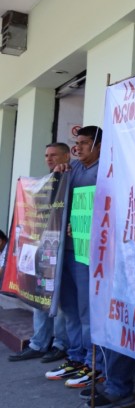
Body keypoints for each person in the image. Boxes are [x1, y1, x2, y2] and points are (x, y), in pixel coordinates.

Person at [45, 127, 106, 388]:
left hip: (88, 254)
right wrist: (57, 177)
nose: (77, 148)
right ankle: (76, 357)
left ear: (99, 145)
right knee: (69, 308)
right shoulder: (76, 169)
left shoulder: (105, 169)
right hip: (66, 250)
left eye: (84, 143)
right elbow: (58, 201)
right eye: (76, 143)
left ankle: (96, 365)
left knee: (86, 311)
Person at [8, 143, 71, 363]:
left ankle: (60, 344)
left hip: (65, 252)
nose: (49, 159)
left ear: (67, 155)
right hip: (42, 250)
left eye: (54, 155)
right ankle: (38, 343)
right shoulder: (46, 182)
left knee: (62, 302)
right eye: (46, 155)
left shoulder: (71, 178)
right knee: (39, 297)